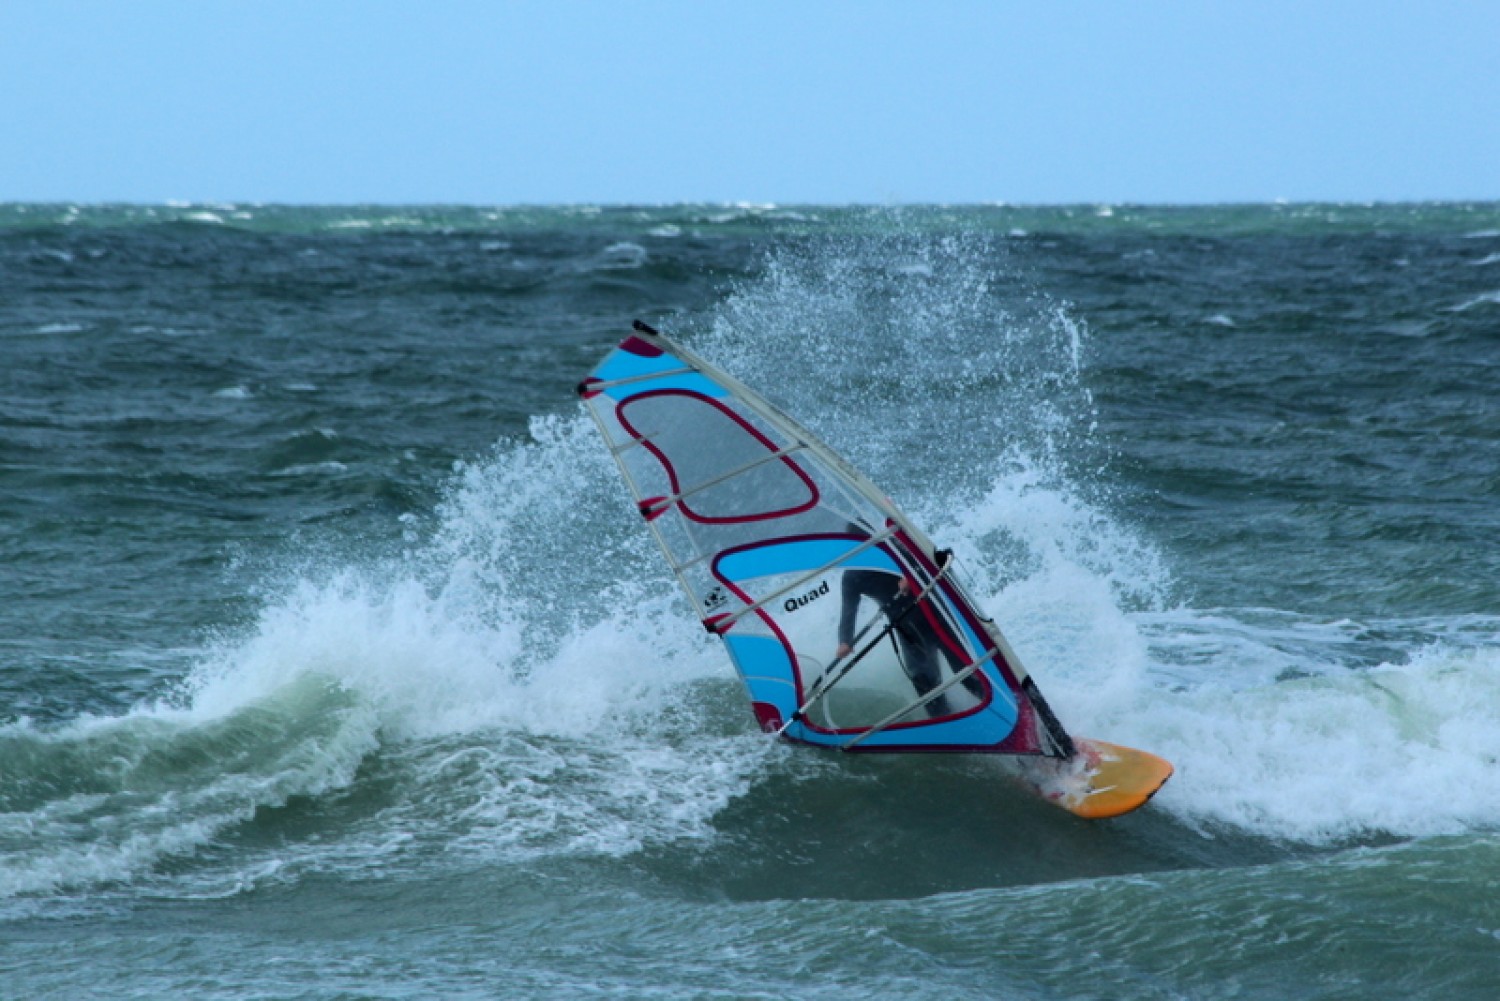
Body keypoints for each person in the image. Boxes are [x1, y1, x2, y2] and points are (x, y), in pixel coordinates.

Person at [834, 549, 981, 716]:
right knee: (927, 689)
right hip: (909, 632)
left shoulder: (893, 549)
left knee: (967, 674)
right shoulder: (852, 576)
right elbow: (848, 610)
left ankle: (1009, 710)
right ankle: (953, 733)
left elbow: (930, 560)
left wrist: (910, 575)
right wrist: (844, 641)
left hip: (936, 617)